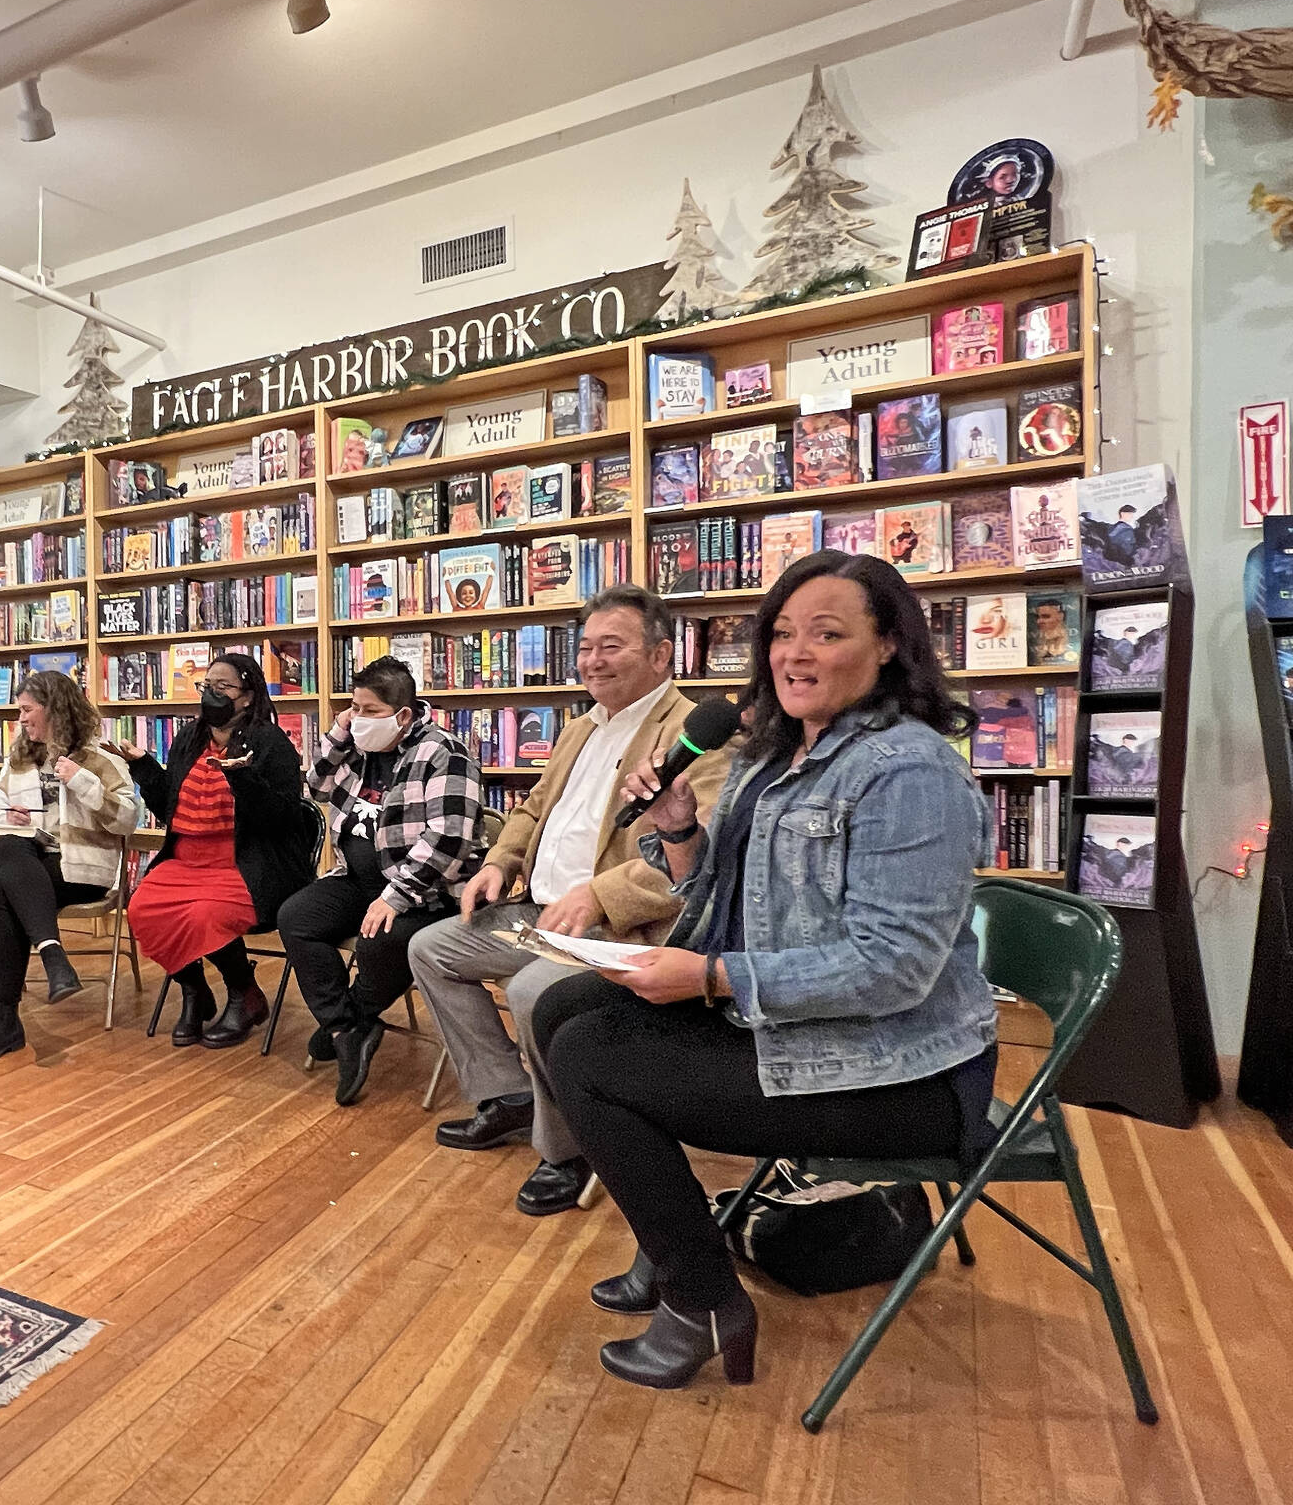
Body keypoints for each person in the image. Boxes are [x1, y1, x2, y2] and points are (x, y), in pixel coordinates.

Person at [536, 551, 998, 1392]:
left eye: (828, 633)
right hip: (793, 1023)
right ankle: (672, 1240)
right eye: (782, 633)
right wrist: (679, 831)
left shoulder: (911, 771)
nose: (796, 653)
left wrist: (711, 979)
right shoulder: (771, 755)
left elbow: (893, 970)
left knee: (591, 1059)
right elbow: (727, 898)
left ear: (889, 643)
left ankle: (703, 1298)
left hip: (900, 1072)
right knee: (563, 1009)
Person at [407, 585, 733, 1216]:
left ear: (663, 654)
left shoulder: (694, 734)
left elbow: (704, 852)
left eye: (612, 646)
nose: (592, 661)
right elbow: (532, 809)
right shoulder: (580, 727)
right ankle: (509, 1095)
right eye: (585, 648)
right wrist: (500, 861)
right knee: (432, 948)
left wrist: (599, 896)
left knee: (534, 992)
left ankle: (570, 1149)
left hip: (623, 929)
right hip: (540, 910)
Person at [279, 657, 482, 1106]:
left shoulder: (442, 751)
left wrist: (397, 895)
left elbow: (449, 839)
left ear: (402, 714)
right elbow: (314, 787)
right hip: (356, 878)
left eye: (369, 710)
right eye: (354, 707)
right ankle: (346, 1027)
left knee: (377, 941)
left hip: (427, 894)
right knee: (295, 917)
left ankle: (355, 1016)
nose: (359, 718)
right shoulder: (356, 747)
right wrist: (339, 733)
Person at [116, 653, 312, 1048]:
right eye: (207, 686)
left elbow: (285, 817)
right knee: (141, 908)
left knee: (206, 914)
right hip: (186, 859)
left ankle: (244, 993)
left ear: (247, 697)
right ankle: (194, 992)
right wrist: (144, 768)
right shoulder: (190, 738)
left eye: (223, 688)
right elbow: (170, 807)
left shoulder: (270, 743)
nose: (212, 694)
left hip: (244, 864)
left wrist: (243, 781)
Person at [0, 671, 138, 1068]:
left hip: (81, 872)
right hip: (31, 865)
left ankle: (4, 1021)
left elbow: (127, 819)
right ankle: (53, 958)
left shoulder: (101, 757)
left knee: (6, 891)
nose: (20, 719)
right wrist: (8, 815)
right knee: (10, 864)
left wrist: (83, 782)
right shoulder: (19, 758)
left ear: (54, 710)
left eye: (26, 709)